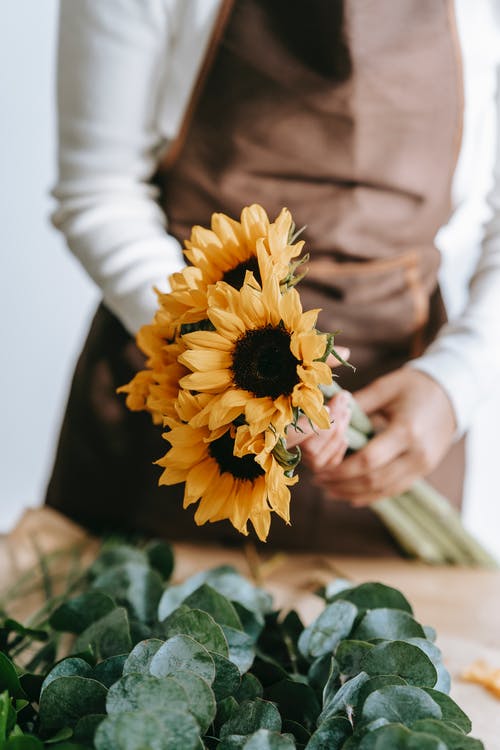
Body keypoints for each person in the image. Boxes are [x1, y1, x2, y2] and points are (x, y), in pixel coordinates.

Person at [46, 0, 500, 554]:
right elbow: (99, 191)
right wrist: (220, 353)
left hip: (401, 409)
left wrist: (458, 379)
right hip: (182, 385)